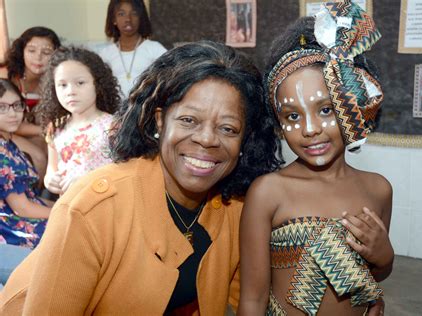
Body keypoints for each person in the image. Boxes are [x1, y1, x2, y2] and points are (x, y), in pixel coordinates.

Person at [0, 40, 282, 315]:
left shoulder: (237, 209)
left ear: (245, 139)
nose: (208, 139)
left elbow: (233, 299)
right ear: (159, 120)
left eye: (228, 129)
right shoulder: (92, 208)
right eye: (189, 120)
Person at [238, 2, 394, 315]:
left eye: (325, 110)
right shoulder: (268, 192)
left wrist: (385, 256)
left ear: (350, 106)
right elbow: (252, 299)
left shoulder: (378, 190)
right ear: (278, 123)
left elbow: (372, 275)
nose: (309, 129)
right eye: (292, 116)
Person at [37, 46, 120, 196]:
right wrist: (49, 180)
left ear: (98, 84)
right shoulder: (55, 127)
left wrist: (87, 181)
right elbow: (52, 168)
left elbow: (124, 172)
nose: (70, 91)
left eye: (80, 83)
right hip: (69, 208)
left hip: (105, 207)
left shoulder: (113, 125)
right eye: (62, 85)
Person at [0, 79, 53, 283]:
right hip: (9, 227)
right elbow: (23, 209)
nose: (12, 113)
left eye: (16, 105)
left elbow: (31, 199)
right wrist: (67, 210)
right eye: (2, 108)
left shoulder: (8, 142)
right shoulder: (2, 150)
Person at [6, 27, 61, 183]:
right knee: (38, 156)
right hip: (4, 130)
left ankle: (41, 196)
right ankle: (32, 202)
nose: (38, 58)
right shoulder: (8, 77)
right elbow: (6, 122)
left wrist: (46, 131)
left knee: (51, 149)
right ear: (21, 51)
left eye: (46, 52)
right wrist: (44, 130)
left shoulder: (56, 80)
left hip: (29, 130)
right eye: (31, 50)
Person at [100, 0, 167, 98]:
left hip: (145, 109)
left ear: (141, 18)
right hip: (115, 111)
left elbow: (169, 80)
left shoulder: (155, 49)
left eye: (134, 13)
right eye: (121, 14)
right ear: (114, 19)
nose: (128, 19)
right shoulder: (105, 54)